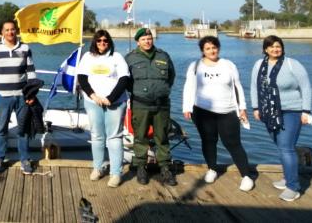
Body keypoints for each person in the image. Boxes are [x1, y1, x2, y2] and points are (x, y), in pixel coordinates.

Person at [182, 36, 254, 192]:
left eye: (214, 47)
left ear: (218, 48)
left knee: (233, 144)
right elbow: (189, 87)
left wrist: (242, 108)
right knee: (208, 141)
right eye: (208, 48)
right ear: (203, 51)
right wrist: (186, 107)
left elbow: (238, 87)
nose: (212, 51)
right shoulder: (195, 66)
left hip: (227, 111)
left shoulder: (228, 65)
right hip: (202, 111)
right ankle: (212, 169)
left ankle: (246, 176)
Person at [251, 35, 312, 202]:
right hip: (268, 112)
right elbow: (254, 87)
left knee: (286, 147)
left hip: (291, 111)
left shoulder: (293, 64)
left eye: (278, 46)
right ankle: (287, 177)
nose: (275, 49)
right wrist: (256, 107)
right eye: (271, 47)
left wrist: (306, 111)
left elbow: (306, 87)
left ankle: (293, 186)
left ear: (282, 48)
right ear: (265, 49)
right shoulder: (259, 65)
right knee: (281, 146)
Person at [77, 30, 130, 188]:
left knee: (114, 137)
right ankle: (98, 168)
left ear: (109, 42)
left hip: (115, 102)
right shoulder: (87, 57)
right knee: (97, 136)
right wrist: (93, 96)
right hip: (93, 102)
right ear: (94, 42)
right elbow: (82, 78)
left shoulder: (117, 57)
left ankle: (116, 173)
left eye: (105, 41)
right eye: (99, 41)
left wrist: (110, 99)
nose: (102, 43)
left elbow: (124, 79)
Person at [125, 27, 177, 186]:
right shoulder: (130, 58)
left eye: (149, 39)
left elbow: (171, 76)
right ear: (137, 42)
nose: (147, 41)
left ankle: (165, 169)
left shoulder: (163, 56)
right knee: (140, 137)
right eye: (143, 39)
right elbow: (126, 81)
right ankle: (141, 167)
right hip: (140, 104)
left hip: (161, 105)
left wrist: (160, 91)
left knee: (162, 137)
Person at [0, 20, 36, 175]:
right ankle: (0, 159)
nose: (10, 32)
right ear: (2, 32)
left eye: (12, 30)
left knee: (24, 129)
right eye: (7, 30)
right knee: (1, 129)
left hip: (22, 96)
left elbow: (31, 73)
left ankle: (24, 159)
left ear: (16, 31)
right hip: (2, 96)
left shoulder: (25, 48)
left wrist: (31, 93)